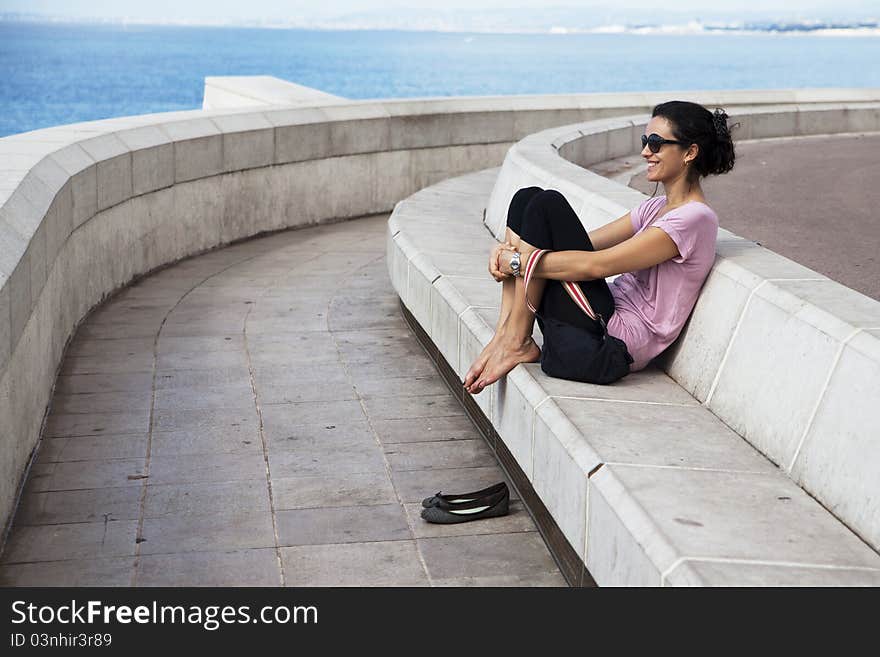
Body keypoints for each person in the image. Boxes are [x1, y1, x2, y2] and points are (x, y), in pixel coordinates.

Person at [463, 100, 737, 394]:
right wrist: (513, 253)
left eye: (656, 143)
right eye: (646, 141)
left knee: (547, 204)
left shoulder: (694, 219)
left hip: (608, 346)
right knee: (527, 198)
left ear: (690, 152)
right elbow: (586, 244)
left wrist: (515, 263)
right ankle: (508, 331)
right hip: (597, 319)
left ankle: (516, 340)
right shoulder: (656, 207)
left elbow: (598, 265)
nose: (646, 151)